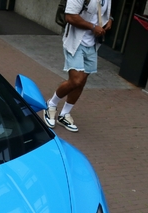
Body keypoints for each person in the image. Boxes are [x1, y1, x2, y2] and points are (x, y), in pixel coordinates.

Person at [45, 0, 112, 132]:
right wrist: (93, 27)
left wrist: (110, 20)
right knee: (76, 80)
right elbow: (70, 16)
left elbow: (105, 10)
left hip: (92, 44)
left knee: (81, 82)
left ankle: (65, 114)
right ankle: (51, 105)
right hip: (76, 41)